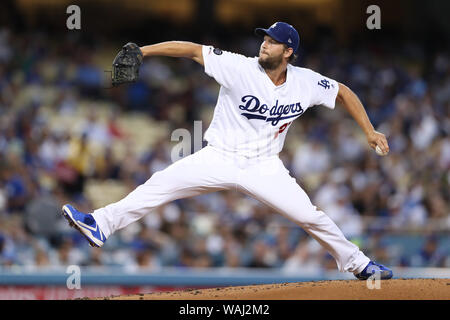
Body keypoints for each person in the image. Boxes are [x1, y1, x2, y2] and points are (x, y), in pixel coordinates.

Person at [62, 22, 393, 280]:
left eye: (273, 41)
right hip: (218, 157)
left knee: (310, 216)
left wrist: (369, 130)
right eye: (264, 38)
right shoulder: (238, 66)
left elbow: (343, 92)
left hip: (265, 167)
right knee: (158, 185)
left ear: (288, 51)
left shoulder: (305, 82)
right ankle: (99, 224)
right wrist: (143, 51)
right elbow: (191, 50)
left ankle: (360, 265)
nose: (264, 43)